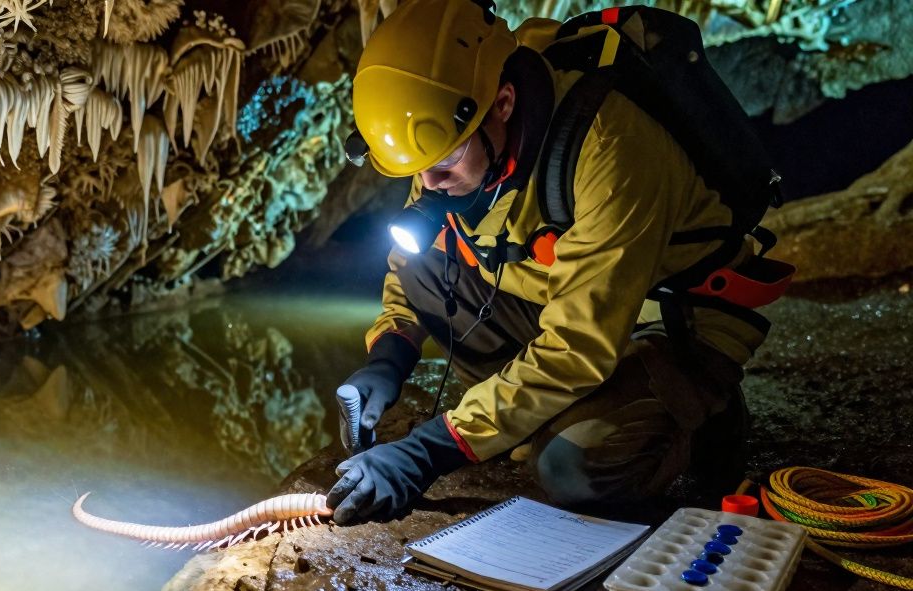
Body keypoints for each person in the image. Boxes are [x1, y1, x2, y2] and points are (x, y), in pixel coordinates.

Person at [327, 0, 772, 524]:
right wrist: (389, 356)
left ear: (505, 102)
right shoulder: (450, 135)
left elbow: (578, 344)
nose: (429, 185)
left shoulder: (609, 148)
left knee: (569, 468)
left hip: (670, 318)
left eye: (443, 162)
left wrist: (432, 449)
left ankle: (699, 416)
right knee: (425, 261)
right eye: (417, 169)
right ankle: (550, 412)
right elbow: (411, 267)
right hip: (564, 302)